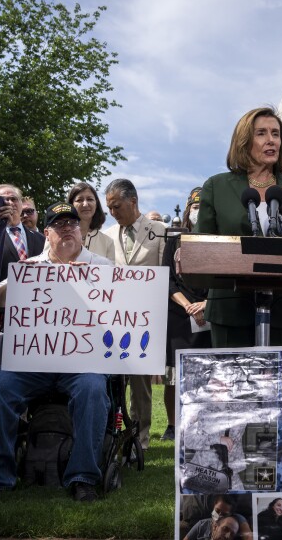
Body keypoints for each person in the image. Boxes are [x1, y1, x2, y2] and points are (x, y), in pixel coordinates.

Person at [0, 202, 111, 503]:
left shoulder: (102, 266)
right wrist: (24, 281)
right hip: (34, 363)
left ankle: (83, 477)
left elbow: (122, 310)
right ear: (46, 233)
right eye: (59, 226)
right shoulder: (30, 268)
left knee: (93, 387)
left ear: (81, 231)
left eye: (72, 224)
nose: (67, 230)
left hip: (81, 363)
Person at [195, 107, 282, 347]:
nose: (271, 140)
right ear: (244, 142)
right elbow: (203, 245)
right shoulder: (217, 186)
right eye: (261, 133)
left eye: (276, 133)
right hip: (230, 308)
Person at [103, 178, 164, 451]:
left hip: (146, 319)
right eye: (109, 208)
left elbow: (166, 276)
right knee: (114, 381)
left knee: (141, 385)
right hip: (112, 319)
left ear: (133, 201)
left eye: (116, 206)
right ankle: (112, 435)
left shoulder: (159, 231)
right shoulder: (107, 234)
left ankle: (141, 439)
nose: (113, 212)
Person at [161, 186, 210, 441]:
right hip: (180, 313)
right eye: (194, 207)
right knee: (175, 375)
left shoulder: (219, 238)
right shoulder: (175, 239)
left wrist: (206, 304)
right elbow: (167, 278)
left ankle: (203, 421)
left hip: (209, 312)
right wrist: (187, 305)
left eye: (203, 207)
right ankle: (173, 424)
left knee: (206, 374)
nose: (197, 212)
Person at [0, 183, 45, 281]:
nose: (10, 203)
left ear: (20, 203)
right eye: (3, 200)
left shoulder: (41, 239)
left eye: (13, 199)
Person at [68, 181, 115, 260]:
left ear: (96, 204)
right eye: (79, 200)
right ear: (71, 204)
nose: (85, 204)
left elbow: (110, 271)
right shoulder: (56, 236)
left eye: (90, 199)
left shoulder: (108, 242)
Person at [183, 495, 250, 540]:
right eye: (217, 511)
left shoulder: (237, 520)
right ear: (213, 506)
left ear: (231, 515)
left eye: (224, 514)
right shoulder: (202, 524)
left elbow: (249, 536)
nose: (218, 516)